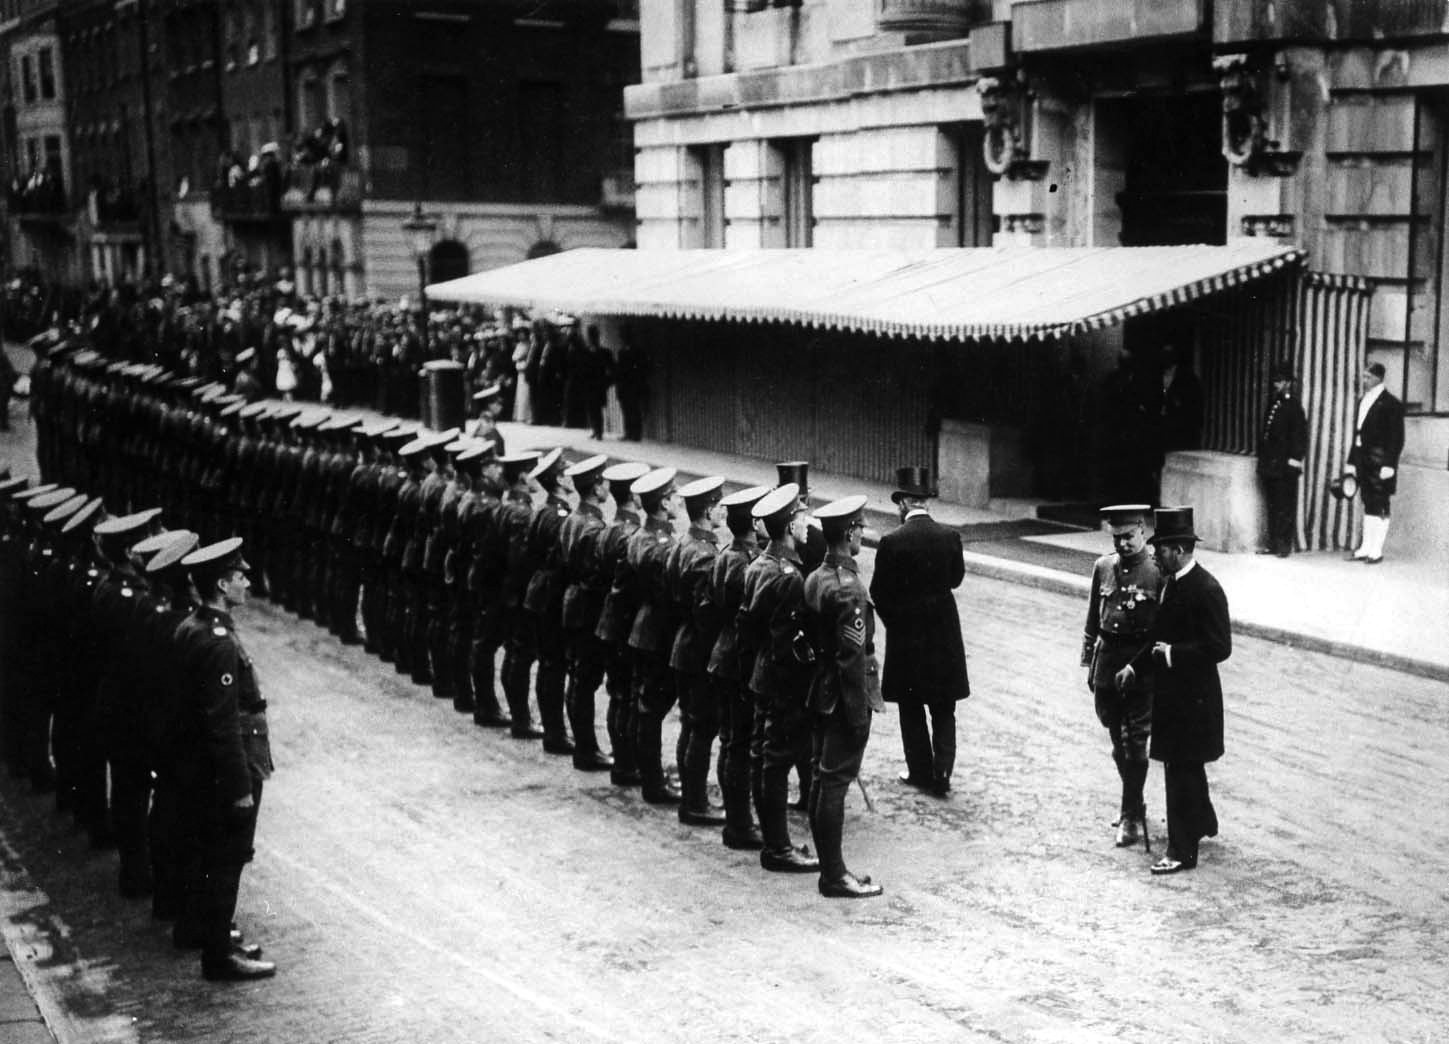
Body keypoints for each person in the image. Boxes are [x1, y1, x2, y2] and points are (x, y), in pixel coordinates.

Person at [173, 537, 276, 980]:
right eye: (240, 576)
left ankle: (207, 933)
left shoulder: (193, 626)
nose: (247, 581)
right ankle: (218, 954)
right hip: (227, 769)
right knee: (226, 860)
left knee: (208, 855)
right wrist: (239, 788)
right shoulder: (217, 641)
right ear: (221, 583)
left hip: (199, 766)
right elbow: (223, 723)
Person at [1115, 507, 1229, 876]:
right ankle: (1201, 823)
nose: (1156, 555)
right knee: (1186, 766)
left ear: (1178, 550)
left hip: (1194, 700)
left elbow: (1219, 647)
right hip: (1174, 697)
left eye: (1161, 549)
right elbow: (1156, 638)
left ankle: (1181, 850)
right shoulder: (1172, 584)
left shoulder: (1206, 589)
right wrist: (1135, 665)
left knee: (1180, 772)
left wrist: (1174, 654)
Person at [869, 466, 968, 797]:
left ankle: (920, 772)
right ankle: (943, 773)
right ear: (926, 502)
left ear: (903, 504)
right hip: (943, 635)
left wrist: (896, 623)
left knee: (911, 707)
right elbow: (955, 579)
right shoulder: (950, 537)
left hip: (907, 636)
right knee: (943, 706)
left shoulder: (891, 542)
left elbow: (879, 593)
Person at [804, 494, 884, 899]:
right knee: (835, 782)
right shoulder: (849, 587)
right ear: (849, 533)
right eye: (860, 529)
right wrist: (857, 714)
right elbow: (853, 657)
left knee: (823, 777)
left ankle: (831, 869)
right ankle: (834, 875)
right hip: (845, 698)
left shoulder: (817, 577)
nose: (862, 536)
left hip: (821, 692)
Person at [739, 483, 819, 874]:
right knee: (776, 761)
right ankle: (778, 847)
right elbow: (789, 644)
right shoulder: (789, 576)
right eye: (804, 517)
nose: (809, 524)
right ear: (790, 523)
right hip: (783, 682)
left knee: (763, 756)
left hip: (761, 675)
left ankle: (773, 841)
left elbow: (748, 628)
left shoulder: (759, 564)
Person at [1082, 504, 1162, 847]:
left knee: (1136, 743)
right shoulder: (1103, 567)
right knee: (1116, 739)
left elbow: (1162, 627)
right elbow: (1092, 620)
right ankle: (1135, 802)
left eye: (1128, 537)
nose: (1123, 544)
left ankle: (1130, 816)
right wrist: (1089, 663)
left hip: (1140, 664)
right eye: (1117, 538)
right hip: (1108, 661)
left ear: (1142, 529)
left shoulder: (1157, 572)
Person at [1345, 362, 1405, 564]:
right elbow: (1358, 435)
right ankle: (1365, 548)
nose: (1364, 380)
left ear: (1379, 378)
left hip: (1381, 461)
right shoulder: (1363, 400)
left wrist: (1389, 465)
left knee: (1381, 503)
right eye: (1363, 376)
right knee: (1368, 501)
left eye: (1368, 377)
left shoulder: (1391, 404)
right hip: (1363, 458)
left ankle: (1376, 550)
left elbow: (1397, 438)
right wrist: (1352, 461)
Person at [1255, 361, 1308, 558]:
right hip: (1271, 465)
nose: (1275, 385)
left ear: (1288, 383)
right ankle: (1273, 543)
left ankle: (1283, 544)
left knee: (1284, 506)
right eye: (1275, 381)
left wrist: (1294, 459)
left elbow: (1299, 436)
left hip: (1285, 467)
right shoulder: (1274, 403)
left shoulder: (1293, 406)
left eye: (1279, 381)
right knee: (1272, 505)